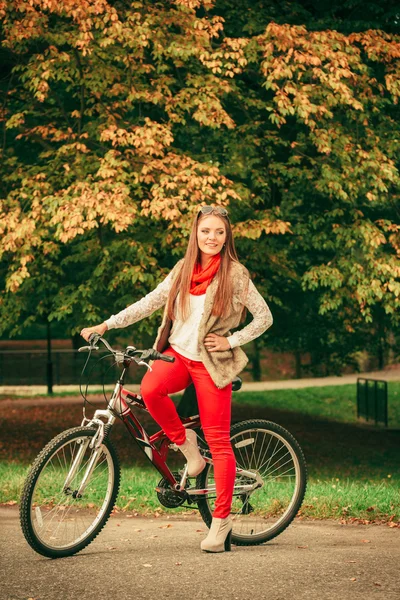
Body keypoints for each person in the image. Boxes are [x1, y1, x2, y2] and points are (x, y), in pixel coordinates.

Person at [81, 205, 273, 553]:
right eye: (205, 231)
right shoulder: (185, 269)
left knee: (218, 440)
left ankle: (221, 522)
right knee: (151, 390)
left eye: (218, 232)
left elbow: (264, 318)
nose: (211, 238)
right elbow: (150, 302)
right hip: (177, 356)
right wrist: (106, 324)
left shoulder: (236, 275)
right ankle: (188, 450)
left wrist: (231, 340)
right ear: (195, 234)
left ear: (227, 236)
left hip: (212, 364)